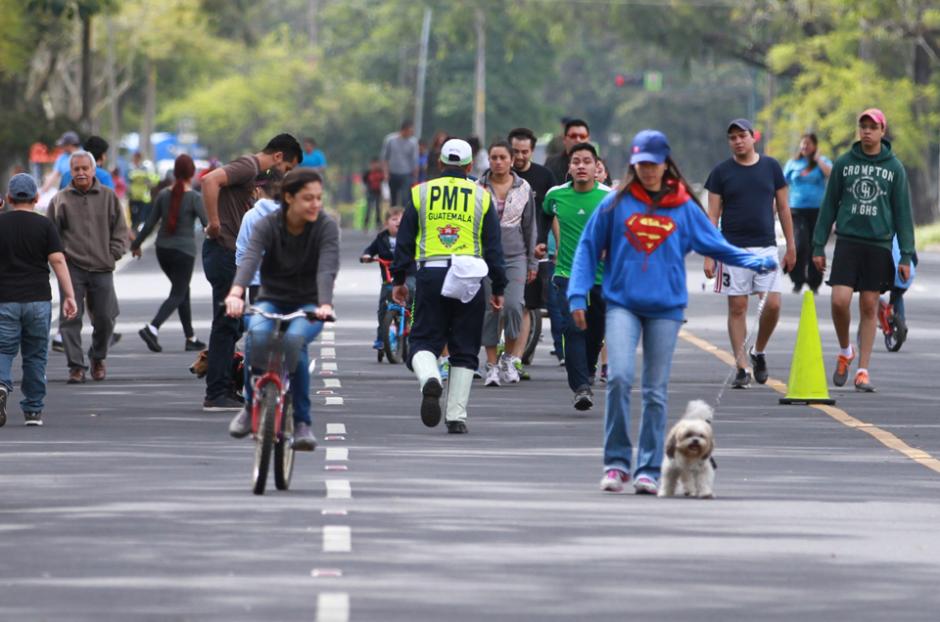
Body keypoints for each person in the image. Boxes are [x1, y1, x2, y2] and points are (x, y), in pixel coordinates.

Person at [568, 130, 778, 495]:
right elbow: (587, 248)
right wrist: (576, 295)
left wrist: (756, 260)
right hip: (622, 304)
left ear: (666, 163)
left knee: (654, 390)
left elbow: (716, 244)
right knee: (618, 378)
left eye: (653, 163)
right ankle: (616, 464)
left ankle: (648, 467)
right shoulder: (616, 203)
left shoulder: (682, 206)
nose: (648, 170)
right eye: (641, 164)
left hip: (666, 308)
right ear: (634, 165)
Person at [391, 138, 507, 435]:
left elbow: (404, 241)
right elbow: (493, 247)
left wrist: (399, 280)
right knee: (466, 347)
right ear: (470, 166)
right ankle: (456, 416)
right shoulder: (482, 196)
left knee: (422, 340)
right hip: (469, 278)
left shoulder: (420, 193)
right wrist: (499, 287)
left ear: (440, 163)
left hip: (432, 273)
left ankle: (430, 377)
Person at [224, 168, 339, 450]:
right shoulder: (267, 224)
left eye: (318, 198)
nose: (315, 204)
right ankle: (249, 405)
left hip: (309, 303)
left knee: (293, 342)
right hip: (270, 298)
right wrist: (236, 292)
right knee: (257, 337)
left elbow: (326, 269)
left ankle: (302, 423)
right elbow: (250, 259)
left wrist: (324, 303)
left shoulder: (325, 226)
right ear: (288, 197)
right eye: (307, 198)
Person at [812, 108, 915, 393]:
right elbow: (829, 205)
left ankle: (863, 371)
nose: (867, 131)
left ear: (883, 131)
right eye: (863, 126)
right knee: (839, 301)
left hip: (878, 245)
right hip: (848, 242)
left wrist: (906, 254)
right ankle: (846, 350)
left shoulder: (894, 168)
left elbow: (903, 213)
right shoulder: (845, 163)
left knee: (870, 306)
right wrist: (818, 244)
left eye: (873, 127)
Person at [201, 133, 303, 411]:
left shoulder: (256, 182)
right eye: (288, 169)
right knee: (226, 323)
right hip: (223, 250)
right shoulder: (249, 166)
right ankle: (216, 392)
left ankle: (227, 383)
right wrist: (213, 224)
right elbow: (209, 180)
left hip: (231, 253)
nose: (285, 176)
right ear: (279, 157)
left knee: (234, 323)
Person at [703, 118, 796, 388]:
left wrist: (791, 246)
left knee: (773, 304)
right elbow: (712, 216)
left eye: (742, 135)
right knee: (738, 307)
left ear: (753, 137)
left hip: (765, 246)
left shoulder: (771, 167)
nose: (738, 141)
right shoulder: (721, 173)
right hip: (732, 248)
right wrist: (710, 253)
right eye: (732, 137)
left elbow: (783, 208)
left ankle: (759, 351)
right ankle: (742, 367)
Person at [0, 174, 79, 428]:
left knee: (3, 349)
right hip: (38, 300)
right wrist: (69, 295)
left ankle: (1, 384)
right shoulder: (45, 226)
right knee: (35, 355)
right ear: (36, 198)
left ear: (9, 198)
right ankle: (33, 410)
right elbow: (57, 261)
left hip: (5, 300)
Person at [46, 151, 129, 384]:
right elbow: (51, 234)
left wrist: (114, 252)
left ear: (94, 170)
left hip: (103, 267)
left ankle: (98, 357)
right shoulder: (60, 199)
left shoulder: (109, 197)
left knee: (105, 317)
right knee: (71, 319)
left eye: (85, 168)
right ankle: (76, 366)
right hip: (72, 269)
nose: (81, 173)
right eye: (76, 169)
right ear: (70, 172)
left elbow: (120, 230)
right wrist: (59, 258)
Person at [544, 142, 611, 410]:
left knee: (595, 332)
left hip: (602, 277)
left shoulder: (610, 197)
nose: (581, 166)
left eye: (587, 161)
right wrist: (541, 240)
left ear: (597, 168)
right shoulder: (555, 195)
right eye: (576, 162)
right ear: (569, 168)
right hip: (567, 273)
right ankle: (581, 387)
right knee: (572, 328)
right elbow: (544, 215)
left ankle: (589, 367)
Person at [131, 154, 208, 353]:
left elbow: (149, 224)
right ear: (192, 173)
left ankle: (190, 337)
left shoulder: (164, 194)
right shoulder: (194, 197)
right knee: (178, 292)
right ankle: (152, 328)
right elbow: (208, 224)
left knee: (183, 290)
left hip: (162, 250)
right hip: (184, 252)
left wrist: (136, 244)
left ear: (175, 172)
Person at [478, 140, 537, 386]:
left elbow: (530, 227)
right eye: (494, 157)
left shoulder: (523, 188)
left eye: (503, 157)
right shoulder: (477, 188)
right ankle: (491, 364)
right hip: (485, 258)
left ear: (511, 160)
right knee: (491, 310)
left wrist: (532, 262)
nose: (498, 162)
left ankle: (510, 358)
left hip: (515, 256)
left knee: (514, 306)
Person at [509, 127, 559, 370]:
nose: (519, 157)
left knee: (527, 305)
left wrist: (554, 245)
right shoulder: (497, 175)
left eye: (524, 152)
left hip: (534, 251)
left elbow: (554, 214)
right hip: (503, 250)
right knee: (499, 306)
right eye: (515, 151)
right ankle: (498, 354)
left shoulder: (544, 177)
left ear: (532, 151)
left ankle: (516, 358)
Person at [784, 133, 831, 293]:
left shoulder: (822, 162)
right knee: (799, 244)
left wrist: (818, 160)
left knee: (815, 246)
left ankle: (814, 282)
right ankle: (797, 279)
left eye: (808, 144)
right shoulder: (793, 163)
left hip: (818, 211)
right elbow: (782, 184)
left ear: (815, 146)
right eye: (803, 144)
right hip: (796, 210)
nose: (805, 147)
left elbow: (830, 174)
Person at [361, 207, 411, 352]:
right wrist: (367, 256)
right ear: (386, 223)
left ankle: (412, 328)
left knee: (412, 300)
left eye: (401, 219)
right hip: (388, 280)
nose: (398, 222)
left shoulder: (409, 236)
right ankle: (381, 337)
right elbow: (370, 250)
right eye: (394, 219)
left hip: (406, 277)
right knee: (383, 307)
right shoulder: (381, 238)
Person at [236, 168, 285, 304]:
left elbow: (242, 255)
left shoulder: (250, 216)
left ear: (257, 190)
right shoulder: (293, 214)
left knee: (261, 323)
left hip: (258, 285)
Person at [382, 121, 419, 207]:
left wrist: (415, 176)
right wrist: (386, 173)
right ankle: (392, 217)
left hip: (406, 174)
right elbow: (385, 158)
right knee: (393, 198)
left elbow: (415, 160)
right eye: (410, 131)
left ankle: (403, 217)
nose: (411, 133)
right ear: (404, 130)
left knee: (405, 198)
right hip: (392, 173)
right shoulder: (390, 140)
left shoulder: (413, 142)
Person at [544, 118, 590, 184]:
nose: (578, 140)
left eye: (582, 136)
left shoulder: (597, 164)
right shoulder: (551, 163)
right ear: (564, 139)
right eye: (573, 136)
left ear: (588, 139)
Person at [128, 152, 159, 231]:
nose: (136, 160)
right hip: (133, 197)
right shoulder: (130, 168)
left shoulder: (145, 168)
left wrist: (145, 178)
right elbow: (128, 178)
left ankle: (139, 232)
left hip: (144, 198)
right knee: (134, 219)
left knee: (142, 218)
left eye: (137, 158)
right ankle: (134, 233)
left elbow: (154, 179)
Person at [362, 158, 386, 231]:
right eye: (373, 164)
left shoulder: (381, 172)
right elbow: (364, 182)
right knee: (369, 208)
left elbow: (384, 182)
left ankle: (378, 224)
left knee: (378, 209)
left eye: (376, 164)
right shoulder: (368, 173)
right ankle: (366, 224)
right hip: (370, 192)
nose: (374, 166)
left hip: (378, 192)